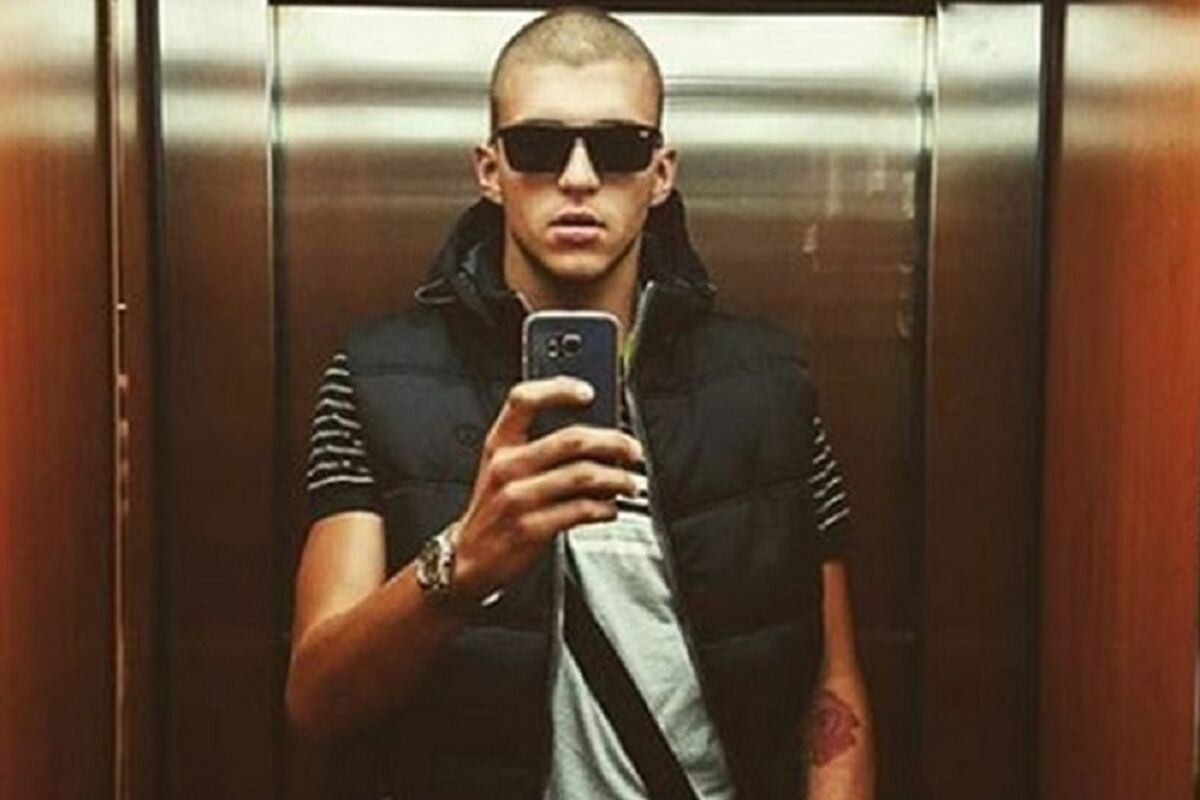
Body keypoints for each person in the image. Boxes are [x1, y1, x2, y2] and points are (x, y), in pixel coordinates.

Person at [286, 6, 874, 799]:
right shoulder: (374, 375)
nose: (577, 177)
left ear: (661, 172)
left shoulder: (770, 382)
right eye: (537, 146)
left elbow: (830, 690)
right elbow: (317, 701)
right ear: (489, 168)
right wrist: (461, 565)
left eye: (618, 147)